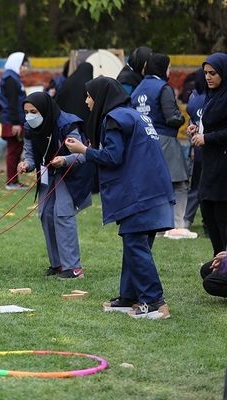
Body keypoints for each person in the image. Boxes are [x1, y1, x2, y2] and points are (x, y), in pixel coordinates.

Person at [66, 76, 173, 320]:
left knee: (135, 243)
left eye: (90, 96)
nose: (86, 101)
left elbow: (113, 157)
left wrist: (84, 151)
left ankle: (154, 302)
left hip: (140, 193)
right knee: (135, 243)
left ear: (102, 96)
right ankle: (129, 297)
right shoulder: (135, 115)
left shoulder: (114, 118)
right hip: (155, 189)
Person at [18, 92, 94, 279]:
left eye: (34, 111)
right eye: (26, 112)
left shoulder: (66, 124)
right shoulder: (29, 127)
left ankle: (73, 268)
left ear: (44, 109)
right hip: (47, 172)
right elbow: (30, 153)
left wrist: (65, 160)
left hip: (70, 173)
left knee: (62, 213)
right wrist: (26, 164)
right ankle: (58, 264)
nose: (29, 116)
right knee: (45, 214)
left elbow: (83, 153)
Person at [131, 53, 194, 239]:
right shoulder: (163, 88)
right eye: (168, 67)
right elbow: (172, 117)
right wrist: (182, 118)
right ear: (161, 68)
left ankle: (156, 226)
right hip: (164, 139)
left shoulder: (138, 88)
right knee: (179, 182)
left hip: (143, 141)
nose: (170, 70)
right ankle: (176, 225)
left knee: (153, 184)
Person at [190, 52, 227, 257]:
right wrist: (197, 129)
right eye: (205, 73)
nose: (208, 77)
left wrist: (208, 138)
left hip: (223, 166)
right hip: (210, 164)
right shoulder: (211, 97)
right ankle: (218, 261)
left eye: (213, 73)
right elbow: (212, 124)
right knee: (208, 212)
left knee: (221, 216)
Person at [0, 52, 29, 190]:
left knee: (16, 149)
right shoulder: (11, 78)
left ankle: (14, 180)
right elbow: (12, 102)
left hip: (13, 119)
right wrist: (16, 122)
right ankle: (11, 181)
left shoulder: (11, 76)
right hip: (13, 121)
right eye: (24, 65)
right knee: (13, 150)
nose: (26, 68)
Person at [184, 68, 206, 230]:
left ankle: (186, 220)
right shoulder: (215, 98)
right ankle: (207, 223)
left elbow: (191, 121)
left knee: (196, 186)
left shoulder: (193, 99)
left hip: (198, 151)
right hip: (213, 150)